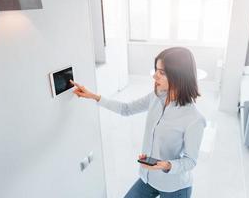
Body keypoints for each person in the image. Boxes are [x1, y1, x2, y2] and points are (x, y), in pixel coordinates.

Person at [71, 47, 206, 198]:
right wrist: (93, 96)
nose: (155, 76)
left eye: (161, 72)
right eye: (156, 70)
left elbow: (191, 161)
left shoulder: (194, 119)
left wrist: (168, 165)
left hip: (175, 187)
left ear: (178, 76)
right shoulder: (155, 97)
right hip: (148, 178)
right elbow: (126, 109)